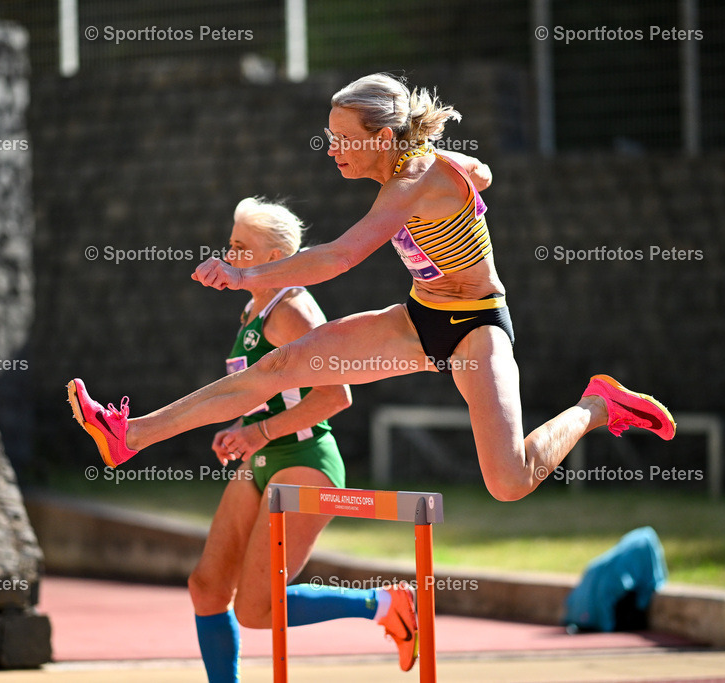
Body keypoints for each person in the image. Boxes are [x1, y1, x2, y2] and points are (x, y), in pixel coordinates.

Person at [69, 70, 676, 658]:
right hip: (417, 320)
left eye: (342, 138)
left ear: (382, 139)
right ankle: (132, 435)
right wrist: (469, 166)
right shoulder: (417, 168)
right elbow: (483, 174)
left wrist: (244, 274)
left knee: (509, 481)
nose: (331, 149)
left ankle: (597, 405)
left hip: (477, 328)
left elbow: (338, 257)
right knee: (277, 370)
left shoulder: (410, 179)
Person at [68, 197, 419, 681]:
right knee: (208, 587)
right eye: (229, 245)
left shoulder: (291, 308)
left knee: (257, 610)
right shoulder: (252, 313)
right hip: (265, 454)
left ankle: (384, 603)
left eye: (239, 248)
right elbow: (269, 394)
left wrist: (258, 430)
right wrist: (242, 430)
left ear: (275, 258)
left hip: (307, 458)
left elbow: (337, 396)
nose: (229, 256)